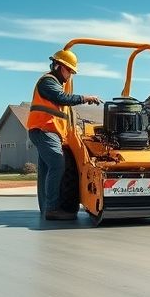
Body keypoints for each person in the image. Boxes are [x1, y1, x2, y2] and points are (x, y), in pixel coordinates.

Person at [27, 49, 102, 221]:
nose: (70, 75)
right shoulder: (48, 81)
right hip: (43, 130)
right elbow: (61, 98)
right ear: (59, 66)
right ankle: (52, 209)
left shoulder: (56, 84)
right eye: (69, 71)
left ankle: (46, 207)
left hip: (49, 132)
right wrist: (85, 97)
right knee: (57, 163)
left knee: (47, 168)